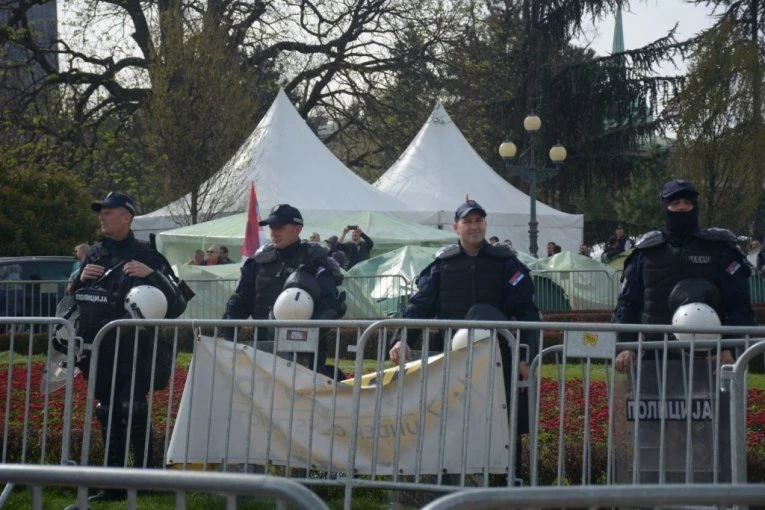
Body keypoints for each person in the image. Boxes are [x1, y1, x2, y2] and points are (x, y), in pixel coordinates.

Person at [388, 199, 540, 479]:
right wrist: (402, 339)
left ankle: (509, 486)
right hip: (451, 360)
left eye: (478, 220)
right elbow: (416, 307)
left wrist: (525, 358)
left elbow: (528, 313)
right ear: (455, 226)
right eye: (467, 221)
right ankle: (449, 487)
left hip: (499, 359)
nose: (474, 226)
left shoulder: (505, 263)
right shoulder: (442, 266)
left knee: (505, 422)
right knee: (448, 421)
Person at [70, 191, 187, 501]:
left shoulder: (146, 253)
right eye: (101, 211)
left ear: (127, 216)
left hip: (135, 347)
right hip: (99, 347)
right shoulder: (94, 253)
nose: (102, 216)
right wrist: (80, 278)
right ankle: (113, 484)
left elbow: (176, 305)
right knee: (106, 410)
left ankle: (147, 476)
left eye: (109, 211)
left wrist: (153, 276)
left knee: (132, 407)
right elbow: (74, 295)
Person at [612, 179, 756, 373]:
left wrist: (731, 349)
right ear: (665, 207)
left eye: (687, 203)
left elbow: (739, 305)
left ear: (695, 207)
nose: (681, 208)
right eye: (675, 203)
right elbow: (627, 305)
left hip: (712, 359)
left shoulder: (720, 250)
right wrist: (626, 346)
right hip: (653, 356)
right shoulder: (644, 253)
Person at [222, 204, 346, 377]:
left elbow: (330, 303)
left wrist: (308, 333)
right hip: (263, 346)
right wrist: (226, 334)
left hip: (304, 352)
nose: (274, 232)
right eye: (272, 227)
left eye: (280, 227)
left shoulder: (314, 259)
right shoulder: (259, 261)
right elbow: (240, 300)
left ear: (297, 228)